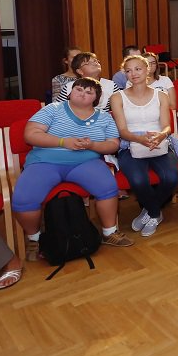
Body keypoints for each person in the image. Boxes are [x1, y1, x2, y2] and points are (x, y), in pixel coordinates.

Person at [13, 77, 134, 260]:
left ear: (96, 98)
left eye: (89, 92)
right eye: (79, 89)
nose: (83, 94)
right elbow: (30, 134)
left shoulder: (104, 117)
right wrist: (63, 142)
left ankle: (109, 233)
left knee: (108, 187)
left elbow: (112, 145)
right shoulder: (53, 109)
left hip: (85, 162)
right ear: (70, 93)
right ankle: (35, 239)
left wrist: (92, 145)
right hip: (45, 161)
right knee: (24, 199)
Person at [110, 55, 178, 238]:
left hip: (158, 142)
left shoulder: (161, 95)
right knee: (139, 181)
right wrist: (139, 139)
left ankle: (149, 211)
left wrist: (161, 135)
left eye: (138, 69)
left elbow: (167, 126)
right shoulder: (117, 97)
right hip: (131, 144)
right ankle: (155, 213)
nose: (133, 73)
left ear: (147, 69)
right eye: (128, 70)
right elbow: (122, 130)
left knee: (171, 178)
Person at [54, 51, 120, 111]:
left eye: (95, 61)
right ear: (80, 71)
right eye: (87, 63)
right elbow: (56, 109)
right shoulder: (69, 87)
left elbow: (121, 107)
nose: (95, 63)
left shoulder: (111, 85)